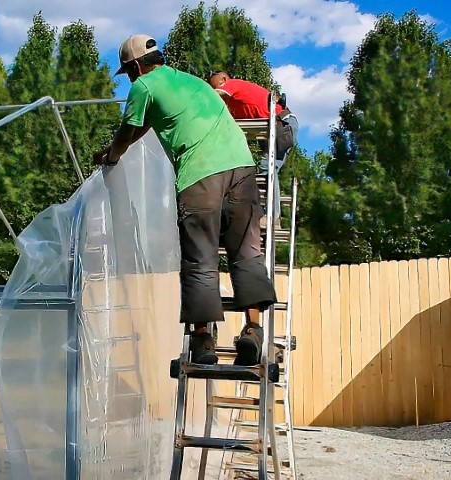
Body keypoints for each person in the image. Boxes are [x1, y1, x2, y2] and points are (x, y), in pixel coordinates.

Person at [92, 34, 277, 366]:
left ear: (135, 67)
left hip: (200, 176)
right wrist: (117, 148)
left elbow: (126, 131)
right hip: (242, 169)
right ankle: (253, 331)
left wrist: (110, 157)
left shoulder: (143, 88)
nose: (129, 79)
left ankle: (204, 342)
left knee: (201, 260)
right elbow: (143, 128)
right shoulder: (191, 82)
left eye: (128, 72)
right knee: (247, 253)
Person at [208, 72, 299, 228]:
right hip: (272, 129)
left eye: (214, 85)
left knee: (267, 167)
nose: (214, 88)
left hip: (281, 124)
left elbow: (214, 96)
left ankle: (272, 216)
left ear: (223, 80)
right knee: (265, 168)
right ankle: (266, 214)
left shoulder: (233, 84)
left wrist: (197, 95)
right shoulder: (233, 106)